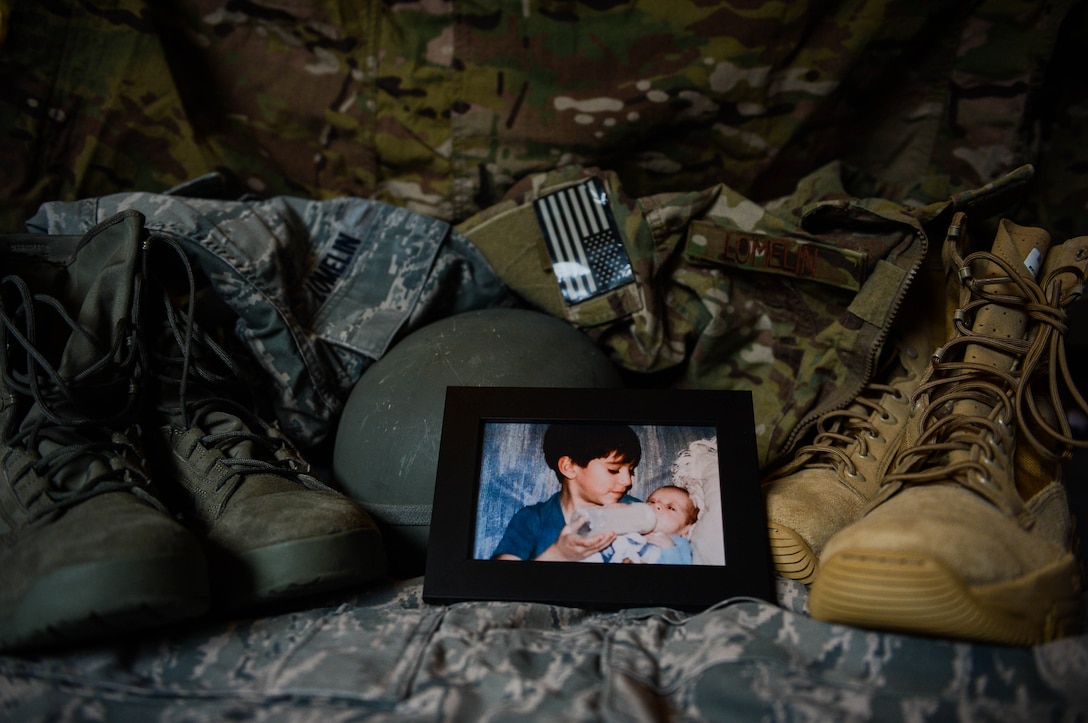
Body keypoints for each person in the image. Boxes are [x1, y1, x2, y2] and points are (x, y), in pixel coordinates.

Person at [492, 424, 642, 561]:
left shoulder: (636, 510)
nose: (627, 481)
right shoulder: (532, 519)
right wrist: (560, 554)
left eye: (631, 471)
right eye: (613, 470)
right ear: (569, 467)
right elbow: (501, 582)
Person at [583, 485, 698, 565]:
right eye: (652, 501)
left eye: (671, 508)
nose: (656, 505)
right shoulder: (631, 526)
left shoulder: (678, 544)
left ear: (686, 530)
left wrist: (669, 548)